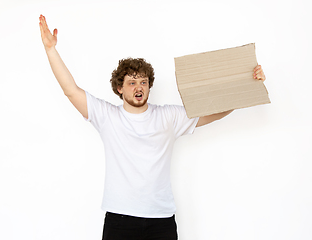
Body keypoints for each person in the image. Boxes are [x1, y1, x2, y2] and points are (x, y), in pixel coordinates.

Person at [38, 15, 266, 240]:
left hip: (161, 221)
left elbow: (214, 112)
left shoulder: (169, 116)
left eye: (144, 82)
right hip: (120, 220)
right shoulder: (107, 116)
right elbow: (71, 90)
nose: (139, 87)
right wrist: (51, 50)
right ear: (120, 88)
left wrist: (248, 83)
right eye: (132, 82)